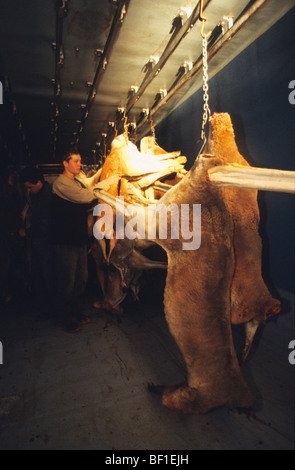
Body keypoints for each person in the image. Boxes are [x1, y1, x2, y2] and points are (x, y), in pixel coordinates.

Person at [51, 147, 118, 332]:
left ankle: (76, 313)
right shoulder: (61, 183)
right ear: (65, 163)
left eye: (80, 161)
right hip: (66, 242)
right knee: (67, 281)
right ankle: (64, 319)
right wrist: (102, 186)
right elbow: (85, 197)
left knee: (81, 279)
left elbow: (87, 196)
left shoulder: (76, 182)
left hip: (78, 240)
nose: (80, 164)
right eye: (76, 161)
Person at [19, 166, 53, 320]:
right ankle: (43, 307)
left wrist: (27, 232)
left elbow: (44, 223)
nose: (28, 190)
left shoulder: (47, 196)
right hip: (41, 244)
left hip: (46, 245)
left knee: (46, 277)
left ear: (38, 182)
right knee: (41, 276)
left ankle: (47, 309)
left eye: (29, 187)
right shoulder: (39, 194)